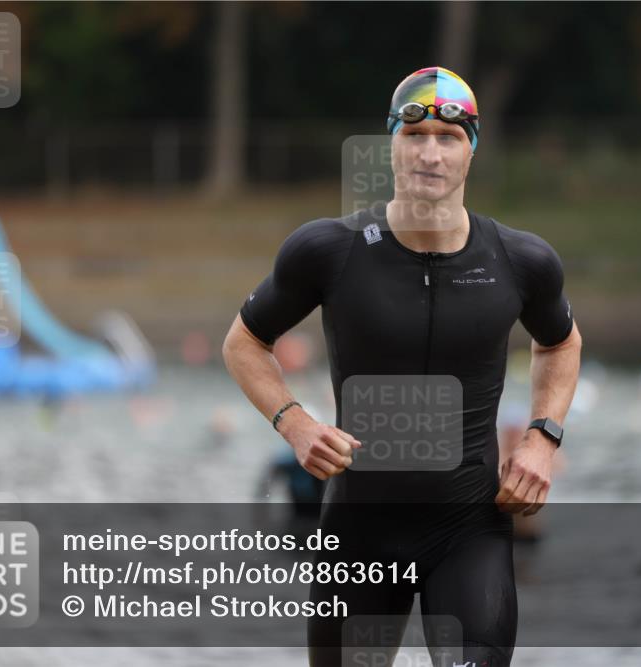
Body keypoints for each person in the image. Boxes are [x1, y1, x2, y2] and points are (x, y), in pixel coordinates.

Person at [223, 66, 581, 666]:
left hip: (469, 530)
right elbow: (244, 342)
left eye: (449, 137)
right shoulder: (327, 251)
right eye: (414, 136)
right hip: (361, 531)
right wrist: (296, 424)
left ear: (472, 150)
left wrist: (543, 438)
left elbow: (561, 344)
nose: (430, 153)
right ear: (391, 142)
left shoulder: (522, 261)